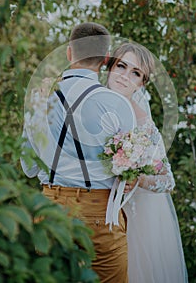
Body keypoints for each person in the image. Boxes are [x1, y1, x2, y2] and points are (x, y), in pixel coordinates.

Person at [20, 22, 137, 283]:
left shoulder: (40, 100)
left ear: (69, 53)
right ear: (106, 59)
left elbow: (28, 166)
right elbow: (129, 170)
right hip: (100, 214)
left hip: (50, 209)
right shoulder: (117, 104)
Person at [106, 42, 188, 283]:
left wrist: (138, 178)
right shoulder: (89, 107)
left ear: (142, 83)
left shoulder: (144, 126)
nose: (125, 76)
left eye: (135, 73)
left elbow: (167, 181)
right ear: (109, 67)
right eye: (121, 66)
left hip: (135, 228)